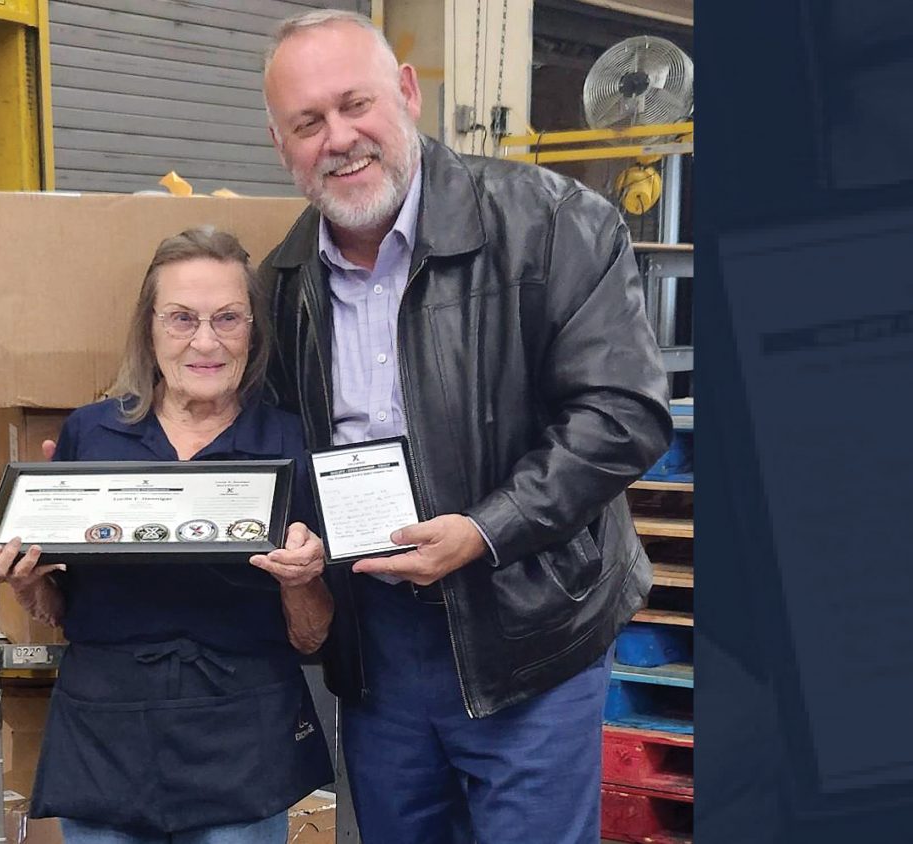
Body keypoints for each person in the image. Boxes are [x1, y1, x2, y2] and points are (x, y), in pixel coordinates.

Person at [259, 11, 673, 844]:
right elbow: (274, 447)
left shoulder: (555, 222)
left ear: (407, 94)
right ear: (282, 146)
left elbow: (623, 412)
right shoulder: (285, 280)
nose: (339, 138)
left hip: (527, 631)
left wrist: (484, 531)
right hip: (377, 653)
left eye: (356, 104)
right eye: (308, 123)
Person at [0, 227, 335, 843]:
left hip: (242, 735)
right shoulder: (90, 437)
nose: (205, 341)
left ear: (255, 330)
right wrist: (29, 582)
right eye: (181, 319)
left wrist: (303, 581)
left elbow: (314, 633)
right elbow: (57, 608)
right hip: (104, 732)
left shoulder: (290, 444)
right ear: (149, 328)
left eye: (228, 318)